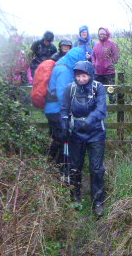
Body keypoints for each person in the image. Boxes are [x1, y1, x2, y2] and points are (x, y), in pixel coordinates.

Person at [61, 60, 107, 217]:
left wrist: (87, 122)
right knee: (75, 166)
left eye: (84, 76)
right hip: (76, 134)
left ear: (90, 75)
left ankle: (98, 201)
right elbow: (64, 109)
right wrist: (64, 125)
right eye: (78, 76)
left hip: (96, 133)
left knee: (96, 168)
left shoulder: (97, 88)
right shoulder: (70, 89)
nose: (81, 79)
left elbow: (101, 110)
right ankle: (75, 196)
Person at [44, 47, 88, 176]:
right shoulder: (64, 71)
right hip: (56, 111)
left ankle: (52, 166)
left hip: (53, 109)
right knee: (62, 138)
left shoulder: (62, 64)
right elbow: (63, 94)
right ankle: (59, 168)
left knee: (57, 138)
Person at [91, 27, 120, 103]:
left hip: (109, 72)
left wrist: (109, 64)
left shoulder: (112, 44)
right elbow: (93, 56)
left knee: (111, 90)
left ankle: (112, 105)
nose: (102, 35)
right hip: (98, 72)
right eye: (100, 34)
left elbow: (116, 56)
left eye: (103, 33)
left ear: (107, 34)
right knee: (98, 91)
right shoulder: (96, 45)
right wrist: (94, 63)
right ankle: (100, 106)